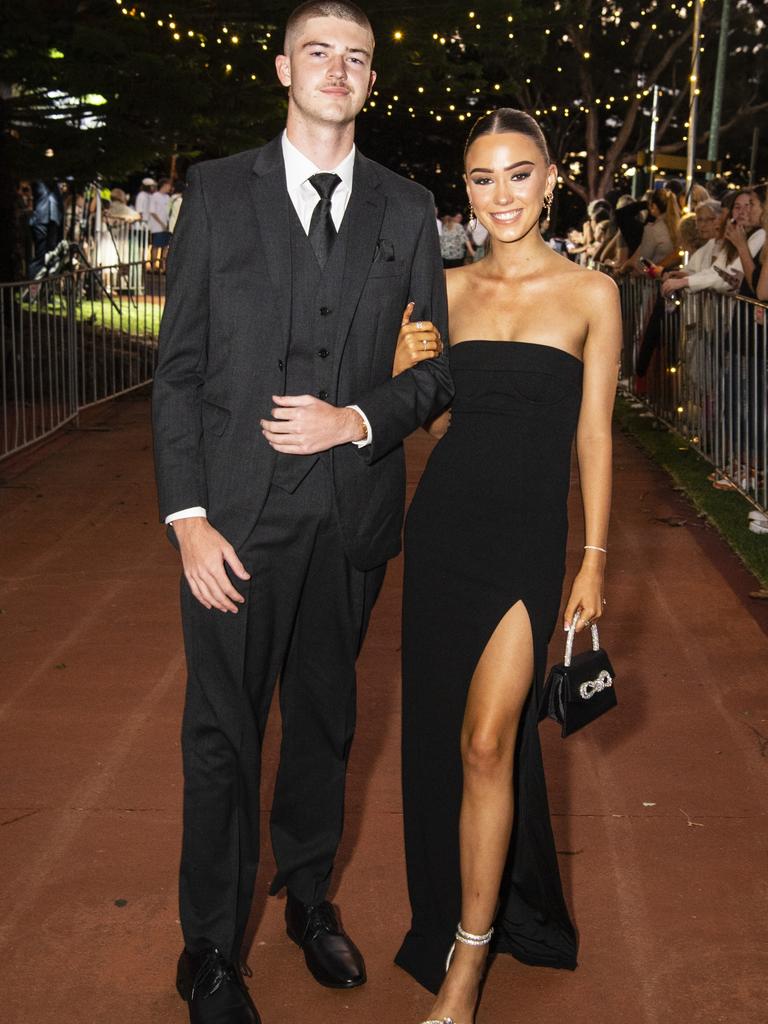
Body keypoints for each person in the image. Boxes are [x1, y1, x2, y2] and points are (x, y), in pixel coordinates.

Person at [151, 3, 452, 1023]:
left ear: (372, 80)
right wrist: (188, 519)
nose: (338, 69)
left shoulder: (408, 210)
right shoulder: (217, 192)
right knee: (224, 736)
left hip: (351, 520)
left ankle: (310, 899)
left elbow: (433, 368)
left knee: (324, 726)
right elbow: (179, 371)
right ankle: (209, 950)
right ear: (284, 67)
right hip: (230, 526)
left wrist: (357, 418)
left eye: (357, 57)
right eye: (319, 52)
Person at [391, 108, 620, 1024]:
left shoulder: (593, 293)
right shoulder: (442, 290)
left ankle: (471, 959)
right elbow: (443, 430)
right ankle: (457, 915)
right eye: (483, 180)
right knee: (445, 748)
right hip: (444, 533)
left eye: (519, 175)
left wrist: (595, 557)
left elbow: (595, 436)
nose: (502, 196)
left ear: (552, 177)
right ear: (466, 191)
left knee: (490, 742)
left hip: (529, 543)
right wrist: (407, 366)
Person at [148, 177, 172, 270]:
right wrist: (161, 223)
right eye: (168, 186)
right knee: (156, 246)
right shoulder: (155, 196)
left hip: (166, 226)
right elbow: (152, 212)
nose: (169, 188)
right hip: (157, 226)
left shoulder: (168, 197)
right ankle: (154, 266)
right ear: (164, 185)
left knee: (165, 246)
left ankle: (163, 266)